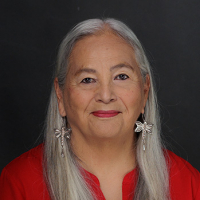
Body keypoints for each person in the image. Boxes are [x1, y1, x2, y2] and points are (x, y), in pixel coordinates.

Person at [0, 18, 199, 200]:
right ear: (60, 96)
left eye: (121, 76)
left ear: (145, 91)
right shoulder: (19, 183)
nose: (105, 95)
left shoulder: (189, 183)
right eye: (87, 80)